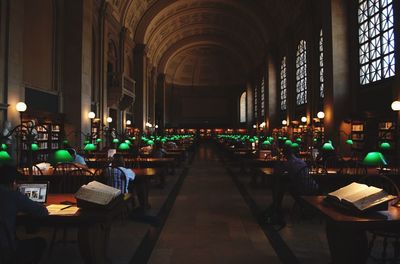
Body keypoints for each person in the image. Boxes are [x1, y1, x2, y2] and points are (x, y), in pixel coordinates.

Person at [0, 165, 48, 263]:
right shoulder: (13, 195)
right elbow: (42, 212)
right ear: (13, 182)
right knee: (40, 242)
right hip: (5, 248)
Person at [263, 145, 319, 227]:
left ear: (285, 154)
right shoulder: (301, 161)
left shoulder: (289, 163)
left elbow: (278, 173)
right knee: (288, 185)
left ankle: (279, 206)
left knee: (285, 187)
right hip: (313, 186)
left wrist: (278, 160)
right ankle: (305, 207)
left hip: (301, 188)